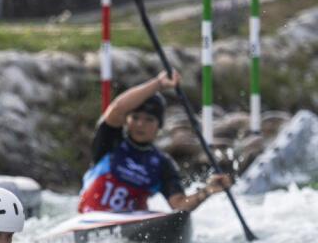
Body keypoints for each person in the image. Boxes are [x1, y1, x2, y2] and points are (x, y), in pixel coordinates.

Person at [78, 69, 232, 213]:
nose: (140, 124)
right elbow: (117, 108)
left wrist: (207, 191)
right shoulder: (111, 141)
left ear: (159, 125)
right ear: (127, 119)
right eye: (135, 117)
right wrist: (158, 84)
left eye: (149, 120)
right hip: (92, 217)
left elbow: (179, 205)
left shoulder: (162, 163)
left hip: (132, 223)